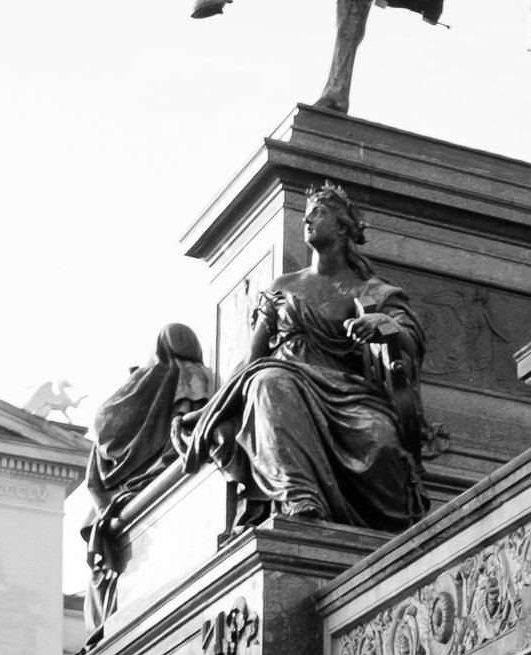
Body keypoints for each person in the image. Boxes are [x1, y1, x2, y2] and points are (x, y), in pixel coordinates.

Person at [182, 184, 428, 532]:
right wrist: (214, 406)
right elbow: (252, 358)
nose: (307, 219)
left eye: (319, 212)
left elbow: (410, 339)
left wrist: (384, 323)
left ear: (343, 227)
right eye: (306, 212)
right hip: (284, 378)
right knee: (269, 383)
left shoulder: (370, 290)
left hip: (346, 391)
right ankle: (299, 495)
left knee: (380, 438)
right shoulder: (284, 286)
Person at [78, 324, 210, 632]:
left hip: (122, 493)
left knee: (104, 573)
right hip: (153, 479)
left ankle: (101, 630)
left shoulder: (136, 385)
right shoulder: (188, 375)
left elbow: (103, 435)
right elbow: (192, 422)